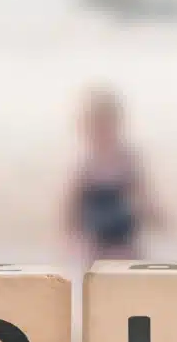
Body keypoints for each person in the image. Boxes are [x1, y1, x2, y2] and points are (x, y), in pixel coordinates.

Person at [62, 87, 164, 267]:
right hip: (96, 250)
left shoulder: (128, 161)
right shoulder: (85, 167)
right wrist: (69, 241)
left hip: (125, 247)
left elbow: (146, 198)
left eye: (107, 124)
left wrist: (155, 215)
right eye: (98, 125)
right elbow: (69, 210)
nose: (103, 131)